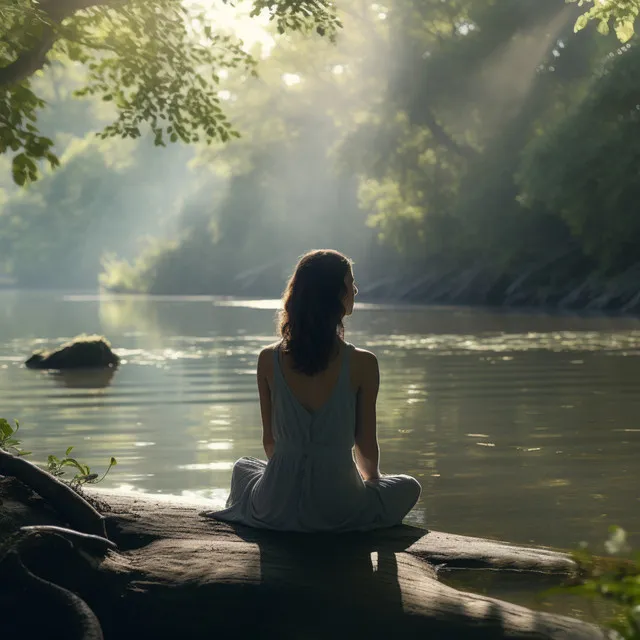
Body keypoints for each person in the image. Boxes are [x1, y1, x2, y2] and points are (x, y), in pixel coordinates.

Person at [208, 249, 421, 531]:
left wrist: (293, 477)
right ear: (335, 294)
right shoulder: (364, 363)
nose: (355, 289)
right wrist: (371, 483)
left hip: (275, 505)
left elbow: (270, 443)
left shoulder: (266, 359)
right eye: (350, 282)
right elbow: (366, 446)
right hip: (339, 508)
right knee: (408, 486)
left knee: (242, 467)